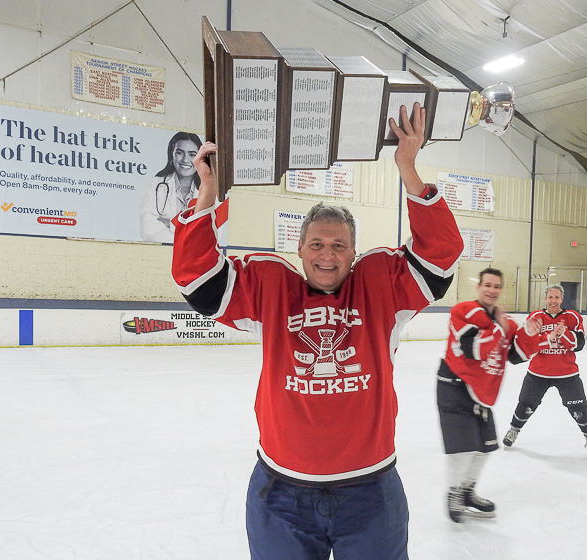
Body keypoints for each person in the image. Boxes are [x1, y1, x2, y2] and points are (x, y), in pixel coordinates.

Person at [171, 102, 462, 559]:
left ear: (353, 251)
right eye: (317, 244)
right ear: (301, 249)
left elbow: (441, 255)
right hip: (280, 495)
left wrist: (408, 168)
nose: (328, 255)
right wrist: (209, 194)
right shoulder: (270, 288)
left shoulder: (381, 288)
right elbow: (195, 278)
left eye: (339, 245)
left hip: (370, 494)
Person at [436, 268, 539, 522]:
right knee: (462, 449)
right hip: (454, 386)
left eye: (496, 286)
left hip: (480, 393)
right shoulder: (463, 311)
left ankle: (467, 491)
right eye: (488, 285)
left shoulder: (506, 322)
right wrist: (499, 328)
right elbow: (474, 349)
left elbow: (515, 355)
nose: (492, 290)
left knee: (484, 446)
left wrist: (530, 335)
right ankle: (453, 495)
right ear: (479, 287)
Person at [502, 284, 587, 454]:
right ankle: (514, 430)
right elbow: (529, 344)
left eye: (556, 297)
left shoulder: (573, 317)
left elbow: (579, 345)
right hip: (538, 373)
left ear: (562, 299)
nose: (553, 301)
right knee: (525, 404)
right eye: (550, 297)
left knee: (579, 407)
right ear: (545, 299)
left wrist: (564, 333)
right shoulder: (536, 317)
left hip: (567, 373)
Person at [140, 131, 202, 243]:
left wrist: (170, 223)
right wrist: (189, 237)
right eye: (179, 153)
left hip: (195, 259)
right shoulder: (156, 185)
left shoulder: (209, 190)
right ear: (171, 155)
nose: (185, 160)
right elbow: (148, 230)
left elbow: (211, 234)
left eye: (192, 154)